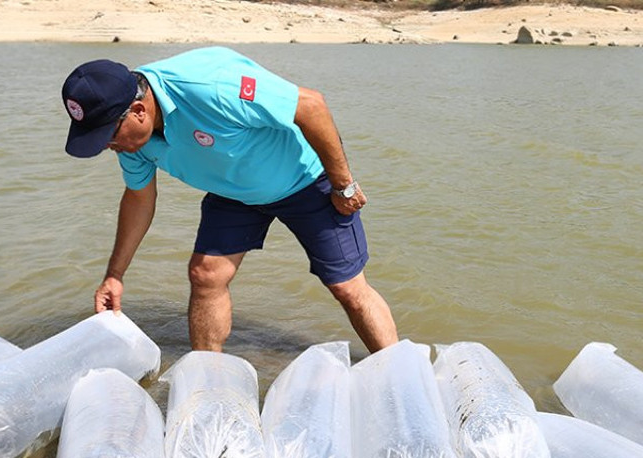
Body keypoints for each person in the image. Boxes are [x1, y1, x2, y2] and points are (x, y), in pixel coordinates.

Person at [60, 47, 399, 353]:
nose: (107, 146)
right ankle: (208, 383)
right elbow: (139, 198)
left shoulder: (213, 86)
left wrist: (343, 185)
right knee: (206, 275)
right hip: (233, 190)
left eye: (107, 136)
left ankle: (401, 381)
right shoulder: (131, 139)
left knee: (348, 288)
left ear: (137, 110)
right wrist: (115, 275)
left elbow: (311, 105)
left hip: (305, 179)